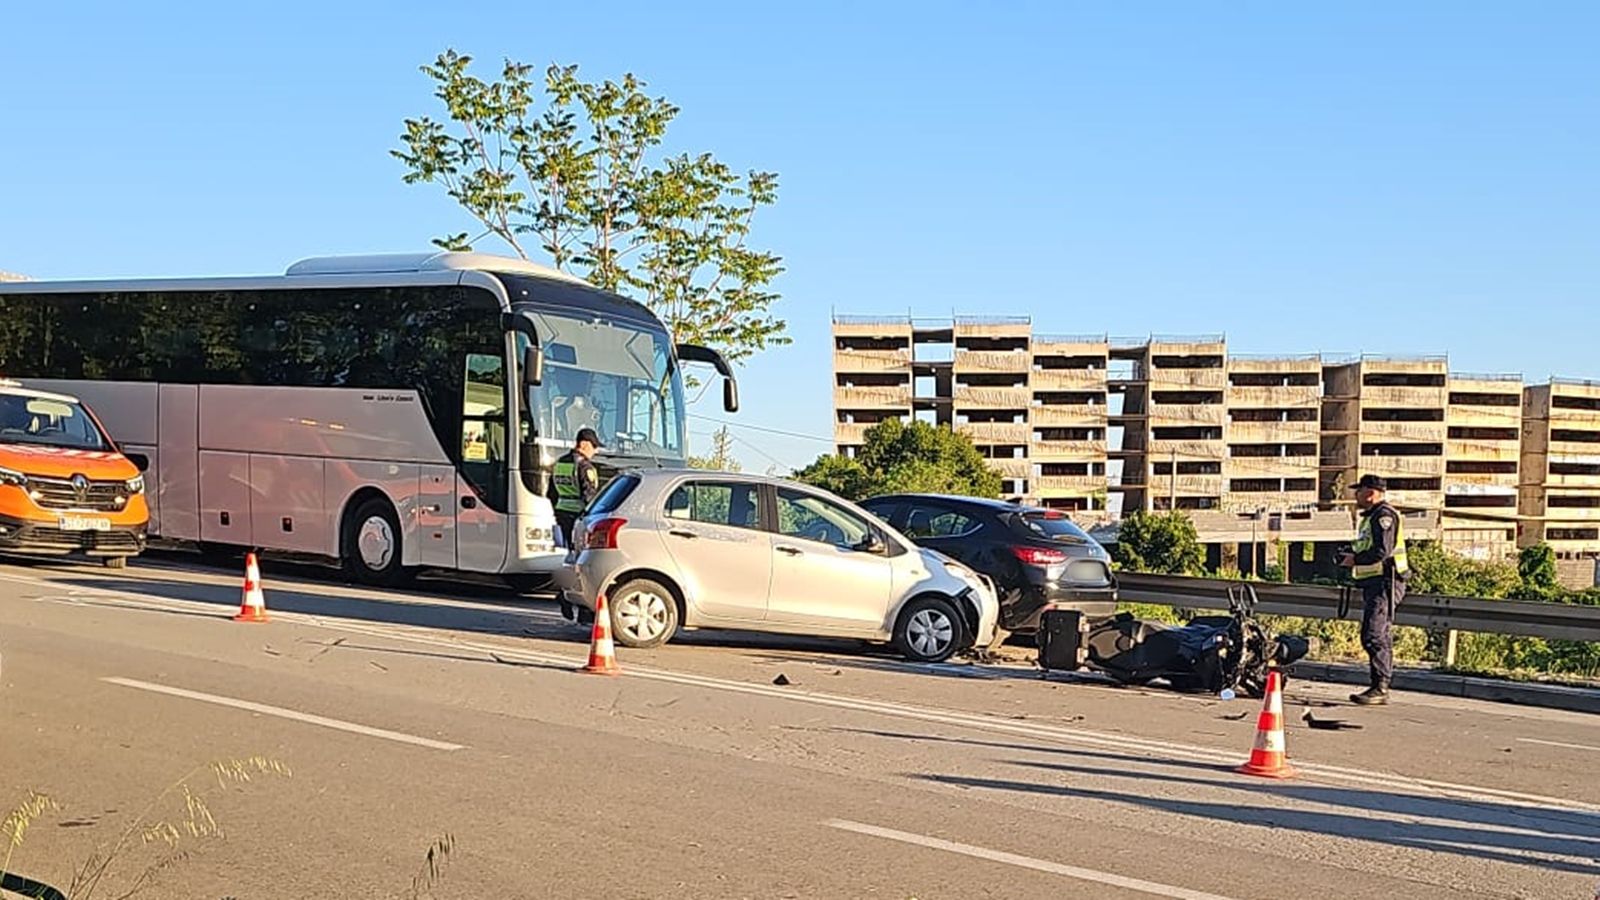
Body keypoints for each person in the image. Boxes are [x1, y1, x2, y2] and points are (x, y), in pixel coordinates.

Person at [1337, 474, 1409, 706]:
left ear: (1370, 493)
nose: (1355, 495)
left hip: (1385, 582)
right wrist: (1350, 553)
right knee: (1375, 634)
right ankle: (1379, 686)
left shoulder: (1383, 516)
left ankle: (1380, 687)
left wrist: (1354, 560)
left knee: (1375, 635)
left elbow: (1382, 551)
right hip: (1375, 583)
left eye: (1359, 490)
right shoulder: (1370, 517)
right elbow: (1368, 547)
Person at [553, 427, 604, 547]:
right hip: (577, 514)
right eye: (594, 446)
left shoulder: (560, 462)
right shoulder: (585, 466)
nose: (595, 451)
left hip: (560, 512)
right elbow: (589, 495)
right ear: (584, 444)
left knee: (564, 549)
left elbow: (552, 491)